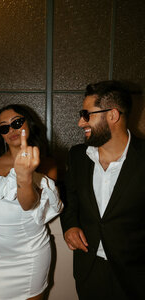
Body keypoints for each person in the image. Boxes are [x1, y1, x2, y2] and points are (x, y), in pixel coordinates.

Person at [0, 104, 63, 300]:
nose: (11, 130)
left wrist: (24, 178)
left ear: (29, 124)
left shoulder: (47, 164)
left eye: (16, 122)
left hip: (30, 254)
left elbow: (30, 205)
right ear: (1, 134)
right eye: (4, 127)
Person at [60, 80, 145, 300]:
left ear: (113, 115)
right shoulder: (77, 156)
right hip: (89, 270)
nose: (80, 122)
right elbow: (70, 197)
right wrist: (70, 226)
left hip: (135, 274)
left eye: (87, 114)